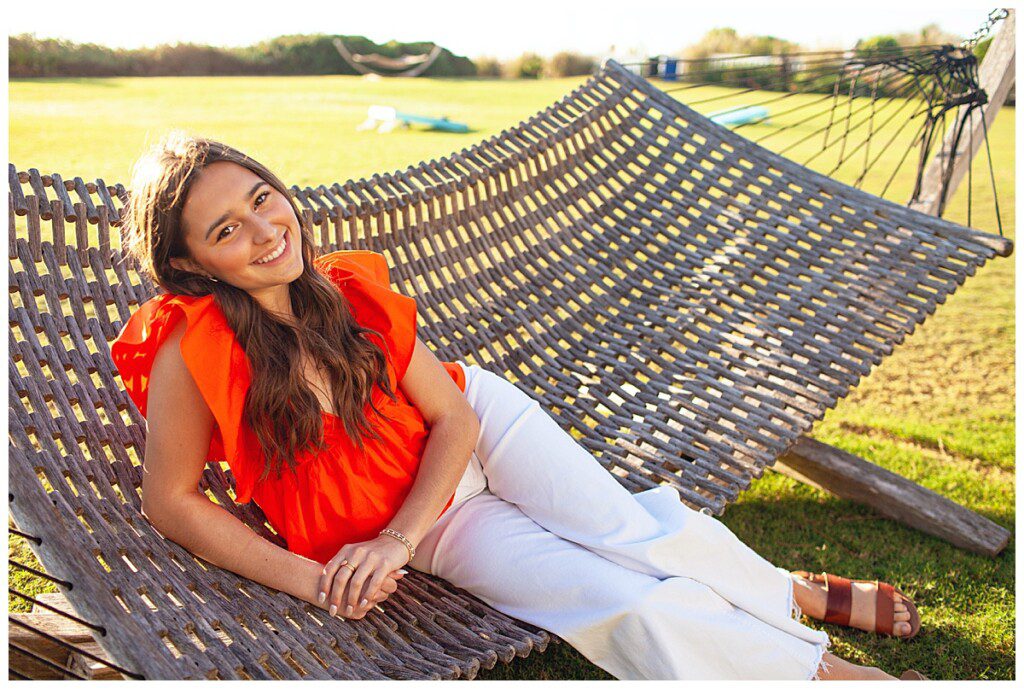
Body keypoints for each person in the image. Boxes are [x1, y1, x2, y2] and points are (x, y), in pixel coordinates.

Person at [111, 132, 924, 681]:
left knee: (627, 533)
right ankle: (798, 648)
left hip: (477, 434)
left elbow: (457, 419)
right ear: (189, 261)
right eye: (226, 227)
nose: (264, 229)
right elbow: (170, 499)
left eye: (262, 197)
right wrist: (315, 579)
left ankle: (799, 620)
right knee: (615, 593)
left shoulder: (345, 293)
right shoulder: (195, 348)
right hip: (439, 527)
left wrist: (392, 537)